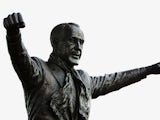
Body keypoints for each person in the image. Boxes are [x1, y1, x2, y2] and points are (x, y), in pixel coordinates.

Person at [3, 13, 160, 120]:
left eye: (81, 42)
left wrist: (148, 70)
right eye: (72, 40)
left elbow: (114, 80)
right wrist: (13, 35)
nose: (78, 47)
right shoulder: (39, 70)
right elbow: (20, 58)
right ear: (55, 43)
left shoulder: (82, 79)